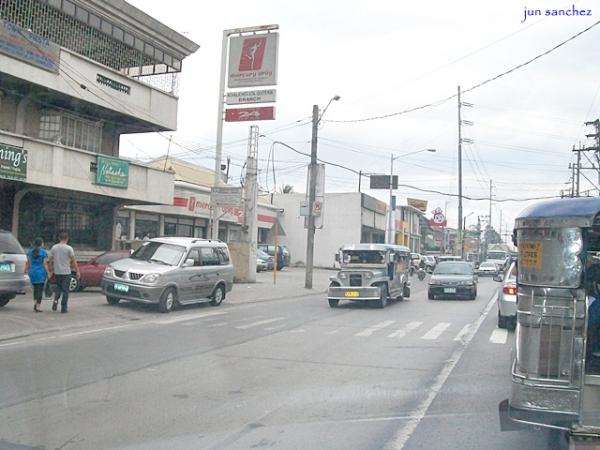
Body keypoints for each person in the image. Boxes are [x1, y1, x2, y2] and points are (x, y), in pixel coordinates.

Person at [47, 231, 80, 313]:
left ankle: (55, 300)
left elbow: (50, 259)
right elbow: (73, 260)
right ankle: (63, 308)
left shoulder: (54, 248)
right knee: (65, 290)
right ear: (67, 239)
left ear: (59, 238)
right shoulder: (69, 248)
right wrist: (77, 271)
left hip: (57, 271)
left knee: (58, 288)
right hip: (66, 272)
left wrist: (50, 268)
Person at [25, 237, 49, 312]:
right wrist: (48, 272)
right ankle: (38, 306)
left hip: (32, 271)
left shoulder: (29, 252)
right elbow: (44, 263)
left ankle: (35, 303)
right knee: (40, 289)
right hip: (40, 272)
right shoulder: (43, 252)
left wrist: (26, 270)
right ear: (41, 243)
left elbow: (28, 263)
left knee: (35, 289)